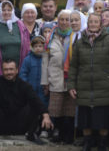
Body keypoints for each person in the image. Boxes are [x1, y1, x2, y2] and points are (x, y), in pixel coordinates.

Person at [68, 13, 109, 150]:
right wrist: (71, 85)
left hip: (105, 85)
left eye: (96, 21)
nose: (93, 24)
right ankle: (87, 142)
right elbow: (74, 66)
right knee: (85, 118)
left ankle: (102, 143)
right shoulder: (81, 42)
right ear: (87, 23)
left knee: (103, 118)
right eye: (90, 21)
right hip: (84, 85)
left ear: (101, 24)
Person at [0, 59, 53, 143]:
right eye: (6, 69)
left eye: (11, 69)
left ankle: (31, 134)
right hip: (0, 123)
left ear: (17, 70)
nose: (9, 72)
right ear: (2, 71)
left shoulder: (24, 85)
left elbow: (35, 100)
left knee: (33, 105)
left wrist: (45, 115)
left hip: (20, 124)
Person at [42, 10, 76, 144]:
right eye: (62, 19)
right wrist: (45, 82)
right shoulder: (51, 37)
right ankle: (57, 134)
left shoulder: (75, 36)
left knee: (70, 109)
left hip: (70, 79)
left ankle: (68, 136)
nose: (64, 22)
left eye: (67, 19)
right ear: (58, 20)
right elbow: (45, 62)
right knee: (56, 109)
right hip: (55, 78)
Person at [0, 0, 31, 81]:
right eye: (4, 10)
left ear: (13, 11)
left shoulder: (20, 25)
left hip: (19, 68)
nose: (6, 12)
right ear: (0, 11)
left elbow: (28, 45)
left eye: (9, 10)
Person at [20, 36, 49, 107]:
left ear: (44, 47)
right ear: (32, 47)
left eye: (40, 46)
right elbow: (23, 74)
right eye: (35, 46)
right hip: (31, 89)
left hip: (43, 90)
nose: (38, 48)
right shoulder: (27, 59)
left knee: (43, 106)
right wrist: (26, 86)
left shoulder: (47, 59)